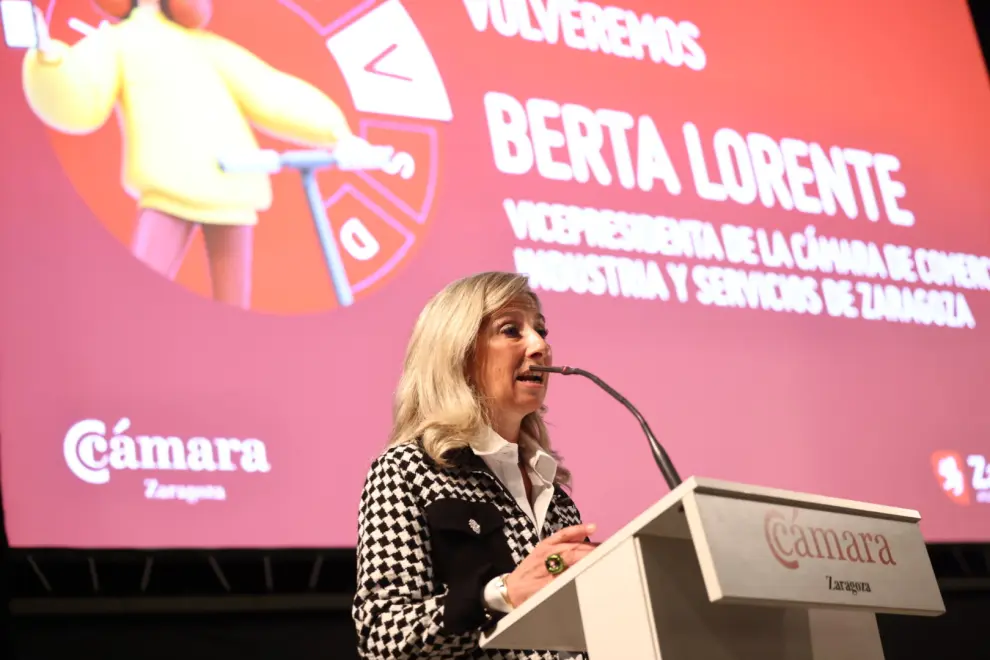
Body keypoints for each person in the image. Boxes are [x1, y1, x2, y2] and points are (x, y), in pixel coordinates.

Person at [352, 271, 598, 660]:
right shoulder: (408, 471)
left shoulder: (554, 494)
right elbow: (383, 637)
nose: (539, 346)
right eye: (512, 330)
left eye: (541, 331)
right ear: (459, 354)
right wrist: (502, 595)